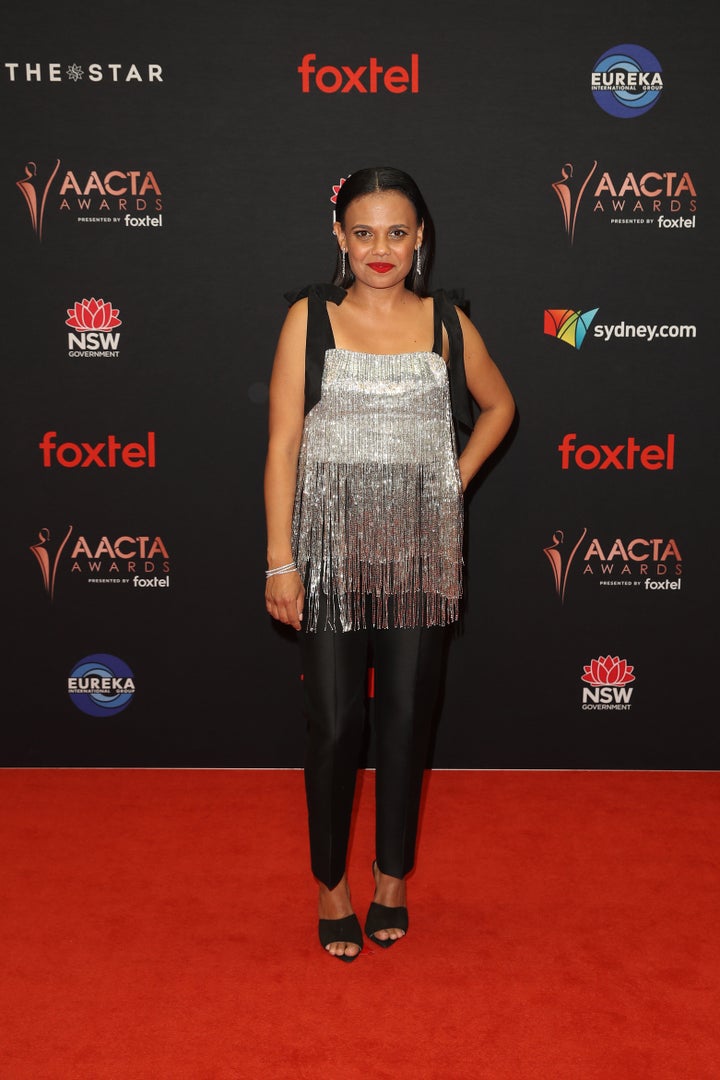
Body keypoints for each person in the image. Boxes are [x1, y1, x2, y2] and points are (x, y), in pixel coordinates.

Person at [264, 166, 515, 961]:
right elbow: (282, 448)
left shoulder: (446, 322)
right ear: (339, 236)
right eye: (364, 232)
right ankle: (331, 882)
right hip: (329, 552)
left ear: (420, 241)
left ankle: (391, 877)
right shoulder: (309, 320)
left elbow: (501, 404)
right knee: (336, 725)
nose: (381, 250)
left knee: (407, 724)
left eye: (397, 233)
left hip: (419, 550)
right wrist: (280, 561)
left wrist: (453, 477)